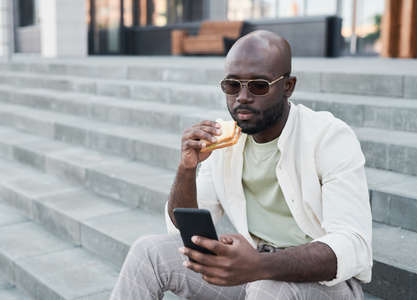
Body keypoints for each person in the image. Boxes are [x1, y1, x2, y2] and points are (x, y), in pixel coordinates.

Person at [109, 30, 372, 300]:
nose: (242, 97)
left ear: (288, 86)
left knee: (266, 287)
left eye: (258, 85)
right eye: (232, 85)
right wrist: (186, 169)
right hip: (255, 266)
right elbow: (182, 229)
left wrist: (258, 266)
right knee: (148, 253)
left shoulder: (329, 137)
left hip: (327, 284)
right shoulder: (225, 142)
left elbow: (352, 245)